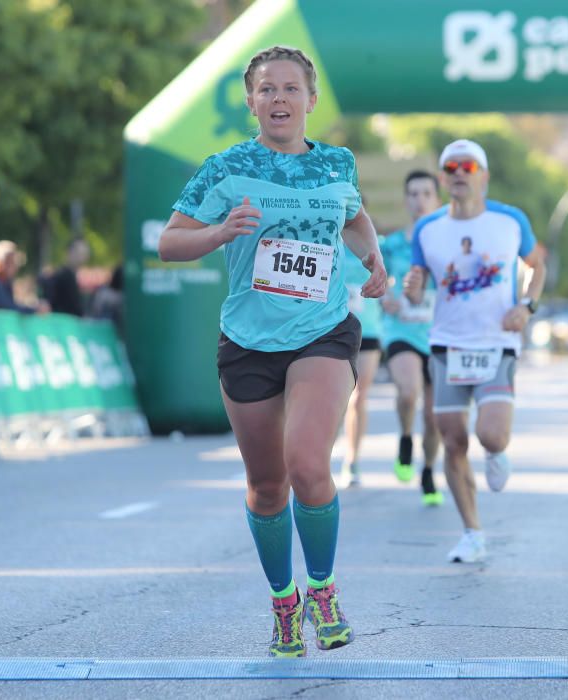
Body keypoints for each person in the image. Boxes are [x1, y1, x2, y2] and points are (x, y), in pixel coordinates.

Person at [158, 46, 387, 658]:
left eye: (290, 89)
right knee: (266, 485)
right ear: (251, 101)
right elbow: (169, 243)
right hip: (248, 340)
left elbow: (355, 217)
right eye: (266, 90)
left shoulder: (336, 163)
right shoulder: (225, 167)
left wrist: (374, 256)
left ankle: (323, 590)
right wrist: (218, 232)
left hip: (323, 328)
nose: (279, 99)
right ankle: (284, 603)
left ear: (311, 101)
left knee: (308, 465)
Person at [404, 139, 546, 563]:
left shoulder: (509, 220)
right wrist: (412, 293)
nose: (459, 172)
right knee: (453, 441)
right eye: (451, 167)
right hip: (448, 345)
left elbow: (538, 263)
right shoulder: (428, 229)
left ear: (482, 175)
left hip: (496, 344)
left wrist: (527, 305)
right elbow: (417, 290)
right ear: (444, 176)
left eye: (468, 166)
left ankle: (498, 452)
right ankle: (472, 532)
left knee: (491, 434)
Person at [380, 170, 443, 505]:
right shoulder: (392, 245)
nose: (419, 200)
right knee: (408, 393)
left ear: (438, 199)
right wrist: (382, 298)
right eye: (413, 194)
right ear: (406, 200)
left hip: (439, 334)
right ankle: (405, 436)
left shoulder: (448, 244)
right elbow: (372, 278)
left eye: (426, 193)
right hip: (402, 329)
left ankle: (429, 470)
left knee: (435, 417)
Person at [338, 234, 383, 488]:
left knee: (358, 397)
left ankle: (351, 460)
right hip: (333, 331)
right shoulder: (327, 243)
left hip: (368, 331)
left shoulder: (378, 247)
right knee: (333, 398)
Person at [0, 240, 50, 314]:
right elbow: (7, 307)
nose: (14, 266)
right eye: (10, 262)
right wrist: (35, 309)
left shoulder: (6, 283)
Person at [46, 238, 90, 316]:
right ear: (69, 252)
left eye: (84, 254)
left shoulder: (64, 274)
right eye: (79, 253)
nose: (82, 257)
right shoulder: (66, 276)